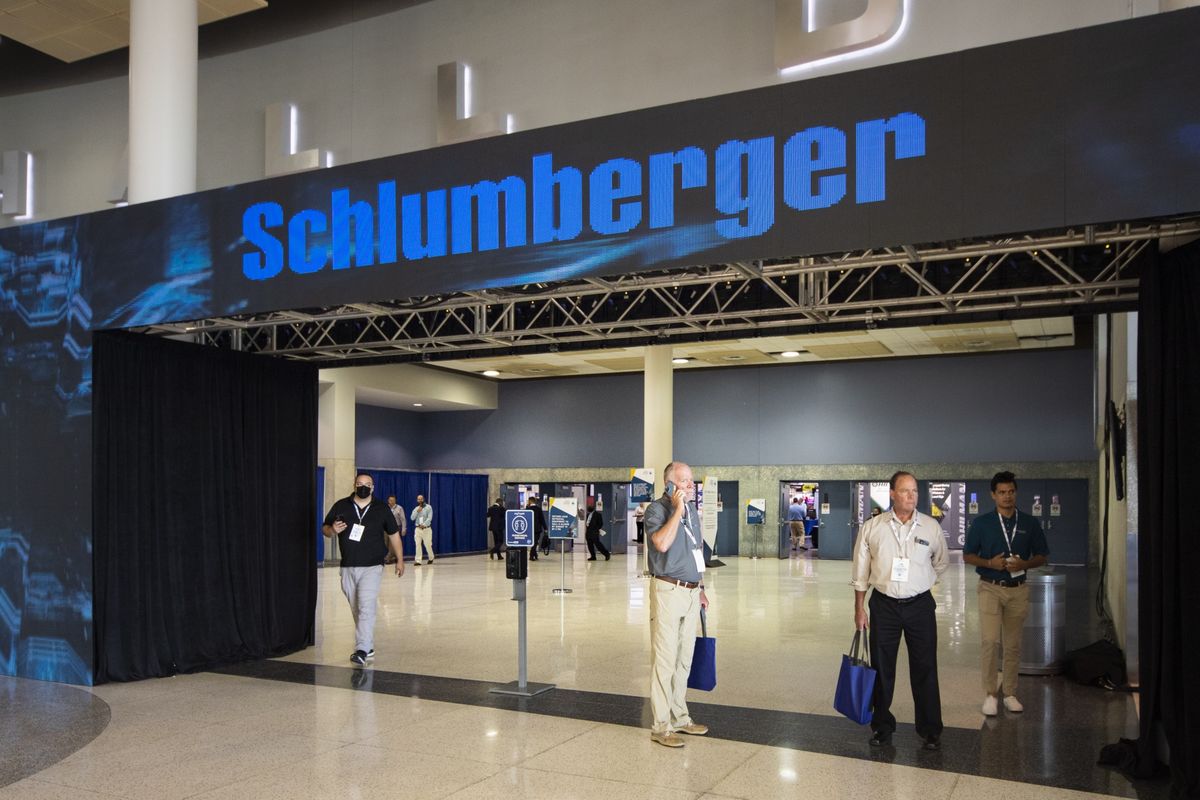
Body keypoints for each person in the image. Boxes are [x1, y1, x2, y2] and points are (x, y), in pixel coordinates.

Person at [851, 471, 948, 750]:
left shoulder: (930, 527)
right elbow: (860, 571)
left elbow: (941, 562)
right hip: (884, 606)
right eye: (905, 491)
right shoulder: (873, 527)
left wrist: (921, 581)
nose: (911, 496)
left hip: (920, 606)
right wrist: (859, 608)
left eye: (915, 491)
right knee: (882, 668)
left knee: (925, 667)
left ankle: (930, 729)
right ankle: (882, 727)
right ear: (892, 493)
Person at [963, 471, 1049, 717]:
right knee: (990, 641)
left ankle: (1010, 693)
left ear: (1016, 493)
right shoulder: (982, 523)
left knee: (1013, 644)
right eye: (1002, 492)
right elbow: (968, 555)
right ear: (993, 495)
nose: (1007, 496)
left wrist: (1024, 564)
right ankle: (991, 694)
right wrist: (989, 563)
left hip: (1017, 589)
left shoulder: (1029, 523)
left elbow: (1042, 555)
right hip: (990, 587)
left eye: (1011, 491)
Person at [643, 461, 709, 748]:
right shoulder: (657, 510)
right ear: (669, 484)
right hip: (668, 590)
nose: (691, 485)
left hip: (691, 592)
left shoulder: (692, 511)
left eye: (691, 481)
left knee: (684, 659)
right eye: (684, 481)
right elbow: (661, 543)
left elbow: (696, 549)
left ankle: (680, 717)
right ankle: (661, 726)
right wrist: (678, 509)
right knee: (665, 659)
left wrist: (701, 587)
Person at [322, 474, 403, 665]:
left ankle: (361, 650)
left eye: (367, 485)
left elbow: (394, 535)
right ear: (354, 485)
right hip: (348, 565)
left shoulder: (381, 508)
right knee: (357, 607)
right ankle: (368, 645)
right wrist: (332, 530)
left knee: (366, 606)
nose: (363, 487)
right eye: (359, 484)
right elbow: (325, 529)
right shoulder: (341, 505)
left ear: (373, 487)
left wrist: (400, 560)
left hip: (372, 566)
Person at [411, 494, 435, 565]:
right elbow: (412, 518)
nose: (420, 500)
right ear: (417, 500)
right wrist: (417, 511)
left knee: (427, 545)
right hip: (418, 529)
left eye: (421, 499)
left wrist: (424, 524)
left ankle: (431, 557)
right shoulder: (416, 508)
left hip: (426, 529)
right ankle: (418, 560)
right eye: (418, 499)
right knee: (417, 544)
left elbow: (429, 518)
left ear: (423, 499)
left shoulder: (428, 507)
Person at [385, 494, 407, 564]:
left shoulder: (399, 508)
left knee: (392, 544)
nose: (391, 502)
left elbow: (403, 519)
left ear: (395, 501)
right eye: (390, 500)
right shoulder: (385, 508)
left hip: (395, 527)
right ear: (388, 500)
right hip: (386, 528)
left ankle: (388, 558)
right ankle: (394, 557)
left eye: (393, 500)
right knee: (385, 543)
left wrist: (404, 529)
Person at [529, 496, 546, 561]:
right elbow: (542, 519)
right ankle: (531, 555)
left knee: (533, 542)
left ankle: (534, 554)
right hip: (537, 529)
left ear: (530, 501)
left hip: (529, 529)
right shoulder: (538, 509)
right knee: (535, 542)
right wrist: (545, 528)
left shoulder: (527, 509)